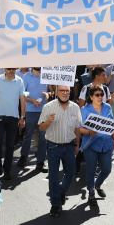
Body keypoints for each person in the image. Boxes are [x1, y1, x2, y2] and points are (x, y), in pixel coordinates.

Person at [38, 85, 81, 217]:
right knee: (53, 177)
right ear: (56, 92)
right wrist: (49, 122)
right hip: (53, 146)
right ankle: (55, 204)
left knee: (71, 172)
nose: (65, 93)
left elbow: (77, 127)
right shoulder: (48, 107)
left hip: (69, 145)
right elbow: (40, 127)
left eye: (67, 91)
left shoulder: (75, 107)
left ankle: (61, 191)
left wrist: (77, 145)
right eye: (62, 90)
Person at [79, 85, 114, 206]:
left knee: (107, 169)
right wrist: (89, 132)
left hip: (106, 144)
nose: (100, 97)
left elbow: (111, 125)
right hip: (91, 144)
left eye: (102, 95)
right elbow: (79, 128)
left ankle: (97, 185)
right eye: (97, 95)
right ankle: (91, 193)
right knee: (91, 170)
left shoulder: (107, 107)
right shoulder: (84, 110)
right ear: (91, 97)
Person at [0, 68, 26, 180]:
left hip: (13, 117)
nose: (11, 71)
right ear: (5, 69)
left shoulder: (20, 81)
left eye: (13, 69)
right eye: (9, 69)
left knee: (10, 145)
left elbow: (23, 100)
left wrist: (22, 117)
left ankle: (7, 169)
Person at [17, 67, 50, 172]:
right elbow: (21, 95)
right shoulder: (26, 76)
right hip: (30, 110)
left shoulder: (46, 75)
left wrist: (48, 94)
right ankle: (23, 157)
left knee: (43, 137)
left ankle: (40, 162)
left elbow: (53, 91)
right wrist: (32, 100)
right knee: (28, 135)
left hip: (44, 111)